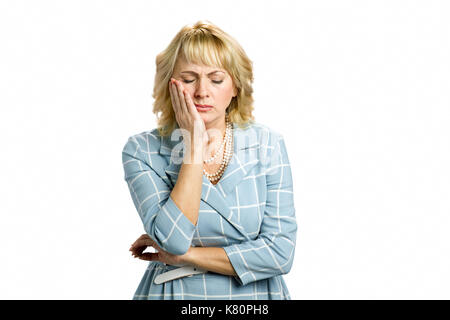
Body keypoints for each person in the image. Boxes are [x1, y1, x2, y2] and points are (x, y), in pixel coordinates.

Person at [122, 20, 297, 300]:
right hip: (175, 294)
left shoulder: (268, 144)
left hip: (255, 299)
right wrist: (192, 145)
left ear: (236, 87)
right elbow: (174, 240)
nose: (202, 91)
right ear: (170, 85)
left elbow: (280, 254)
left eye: (216, 80)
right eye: (189, 79)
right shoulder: (142, 150)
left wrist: (187, 256)